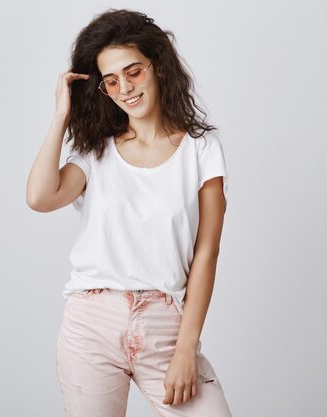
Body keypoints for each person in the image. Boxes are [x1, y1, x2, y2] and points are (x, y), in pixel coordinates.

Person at [25, 8, 234, 417]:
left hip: (165, 326)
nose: (125, 88)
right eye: (111, 81)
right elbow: (40, 197)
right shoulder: (95, 152)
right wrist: (60, 115)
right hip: (91, 323)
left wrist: (186, 348)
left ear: (157, 66)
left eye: (133, 71)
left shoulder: (200, 149)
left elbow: (206, 253)